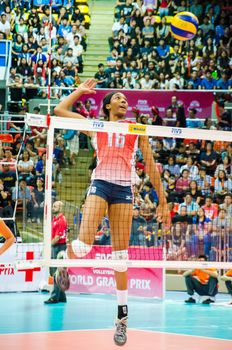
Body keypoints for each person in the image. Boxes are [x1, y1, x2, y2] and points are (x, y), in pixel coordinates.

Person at [54, 78, 170, 346]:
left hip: (124, 189)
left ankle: (121, 319)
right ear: (107, 106)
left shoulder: (136, 127)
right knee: (83, 246)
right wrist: (79, 92)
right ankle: (65, 256)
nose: (123, 100)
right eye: (117, 97)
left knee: (120, 257)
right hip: (101, 184)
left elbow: (150, 164)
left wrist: (163, 200)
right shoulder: (96, 125)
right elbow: (60, 111)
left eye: (124, 98)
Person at [44, 201, 68, 304]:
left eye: (55, 206)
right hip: (55, 247)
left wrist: (48, 246)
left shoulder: (62, 220)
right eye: (52, 206)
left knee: (57, 273)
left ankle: (54, 297)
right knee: (59, 273)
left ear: (61, 208)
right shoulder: (54, 219)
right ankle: (62, 297)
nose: (53, 207)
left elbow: (57, 238)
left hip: (59, 248)